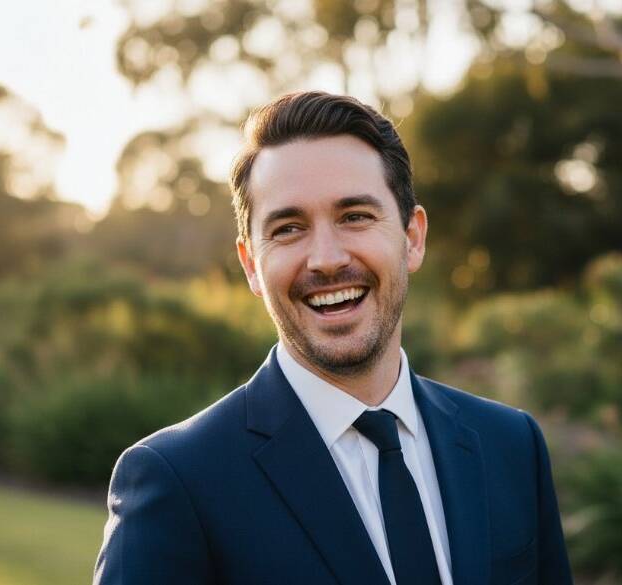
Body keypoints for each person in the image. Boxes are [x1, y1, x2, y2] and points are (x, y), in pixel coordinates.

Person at [94, 91, 574, 585]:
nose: (326, 259)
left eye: (355, 217)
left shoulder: (510, 445)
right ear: (250, 265)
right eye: (288, 228)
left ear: (413, 238)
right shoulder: (178, 480)